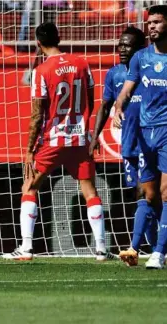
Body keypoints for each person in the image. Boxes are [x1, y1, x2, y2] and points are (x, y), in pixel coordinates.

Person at [2, 22, 115, 261]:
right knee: (90, 191)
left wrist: (29, 149)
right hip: (79, 139)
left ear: (38, 43)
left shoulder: (41, 71)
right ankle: (102, 248)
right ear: (60, 37)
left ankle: (26, 248)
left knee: (29, 187)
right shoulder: (83, 63)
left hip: (53, 141)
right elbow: (91, 100)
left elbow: (36, 114)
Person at [90, 26, 156, 266]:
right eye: (120, 44)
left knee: (146, 193)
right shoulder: (115, 74)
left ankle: (142, 248)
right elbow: (105, 105)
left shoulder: (151, 69)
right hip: (128, 144)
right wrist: (95, 134)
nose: (122, 49)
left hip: (151, 141)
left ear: (140, 48)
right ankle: (156, 248)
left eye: (128, 45)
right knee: (144, 196)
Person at [113, 5, 167, 269]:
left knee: (166, 193)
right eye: (150, 22)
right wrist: (119, 105)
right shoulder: (140, 58)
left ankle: (157, 253)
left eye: (157, 22)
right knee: (148, 194)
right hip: (146, 134)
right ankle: (135, 249)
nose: (152, 26)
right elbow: (127, 88)